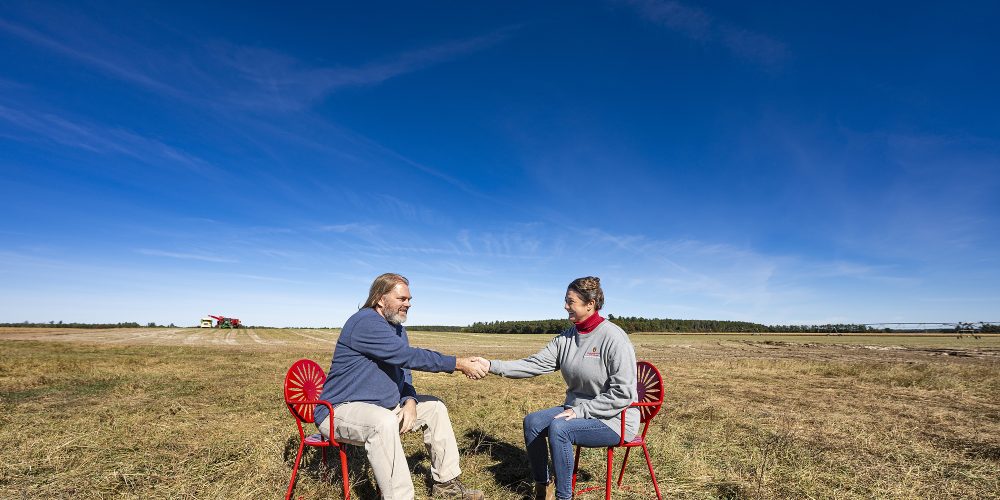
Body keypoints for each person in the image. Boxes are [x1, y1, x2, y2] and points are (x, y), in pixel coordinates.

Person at [315, 273, 487, 500]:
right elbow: (406, 356)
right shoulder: (365, 322)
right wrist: (458, 363)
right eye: (402, 299)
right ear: (380, 298)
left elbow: (403, 370)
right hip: (339, 410)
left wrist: (410, 400)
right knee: (382, 423)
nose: (408, 303)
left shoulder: (396, 328)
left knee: (435, 408)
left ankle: (447, 485)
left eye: (409, 299)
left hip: (383, 407)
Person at [472, 277, 638, 500]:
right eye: (565, 300)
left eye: (570, 301)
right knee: (533, 422)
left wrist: (580, 412)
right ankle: (544, 487)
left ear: (590, 304)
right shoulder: (567, 338)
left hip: (615, 419)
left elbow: (624, 393)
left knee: (560, 429)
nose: (565, 306)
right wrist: (491, 365)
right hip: (576, 410)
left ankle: (564, 497)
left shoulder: (614, 338)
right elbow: (534, 364)